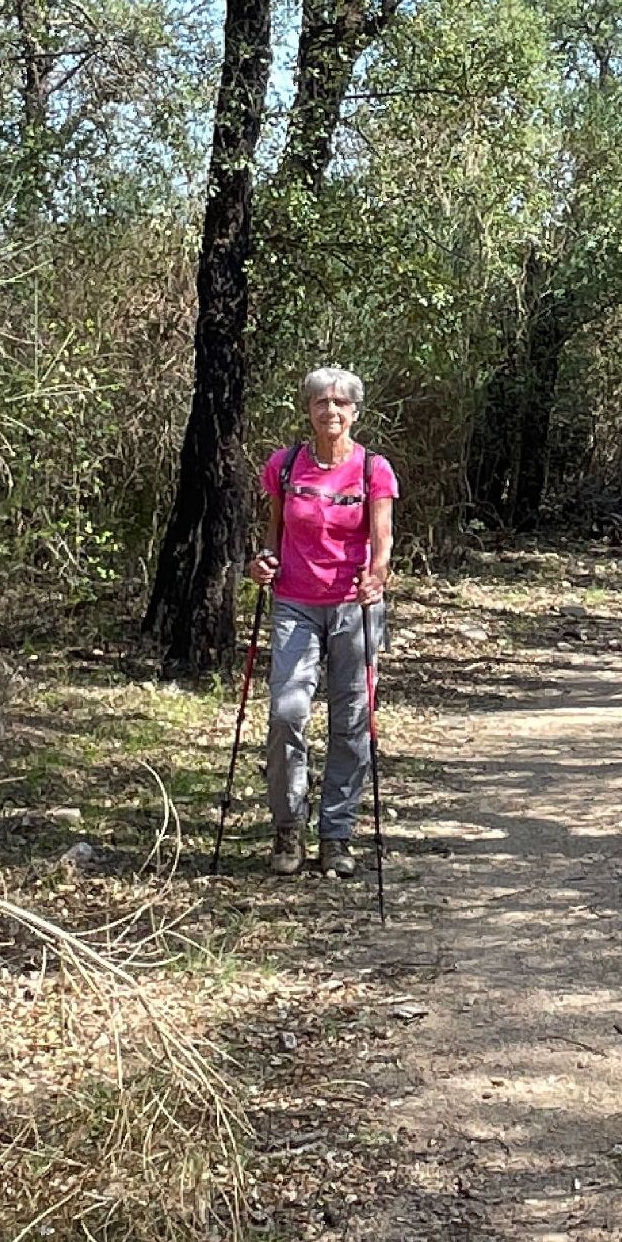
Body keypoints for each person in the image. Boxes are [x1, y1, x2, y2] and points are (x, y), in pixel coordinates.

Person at [248, 366, 397, 878]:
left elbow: (382, 540)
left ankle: (337, 833)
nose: (330, 410)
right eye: (320, 402)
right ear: (308, 410)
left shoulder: (374, 469)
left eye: (340, 403)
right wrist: (263, 562)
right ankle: (288, 826)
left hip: (354, 606)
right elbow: (273, 535)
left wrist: (377, 576)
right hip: (295, 603)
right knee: (286, 712)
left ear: (355, 411)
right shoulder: (285, 466)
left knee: (351, 719)